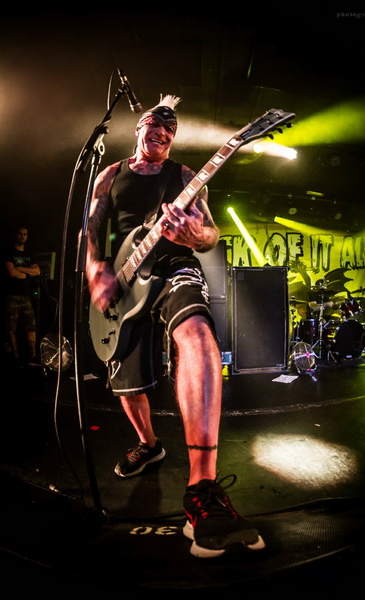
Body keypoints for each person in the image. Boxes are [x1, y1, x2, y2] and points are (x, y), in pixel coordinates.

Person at [85, 94, 265, 558]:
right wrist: (96, 273)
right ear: (139, 127)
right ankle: (149, 445)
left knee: (198, 334)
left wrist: (195, 235)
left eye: (171, 129)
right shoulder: (109, 174)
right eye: (155, 123)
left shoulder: (184, 176)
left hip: (172, 266)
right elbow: (94, 231)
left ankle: (202, 490)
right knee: (127, 384)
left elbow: (210, 233)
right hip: (123, 282)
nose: (162, 132)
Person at [4, 226, 41, 365]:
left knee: (31, 327)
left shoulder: (29, 254)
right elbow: (11, 272)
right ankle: (15, 356)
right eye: (20, 234)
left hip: (26, 296)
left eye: (25, 234)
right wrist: (27, 273)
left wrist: (20, 269)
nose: (23, 236)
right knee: (10, 327)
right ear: (16, 235)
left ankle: (33, 356)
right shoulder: (9, 252)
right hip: (12, 295)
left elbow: (37, 271)